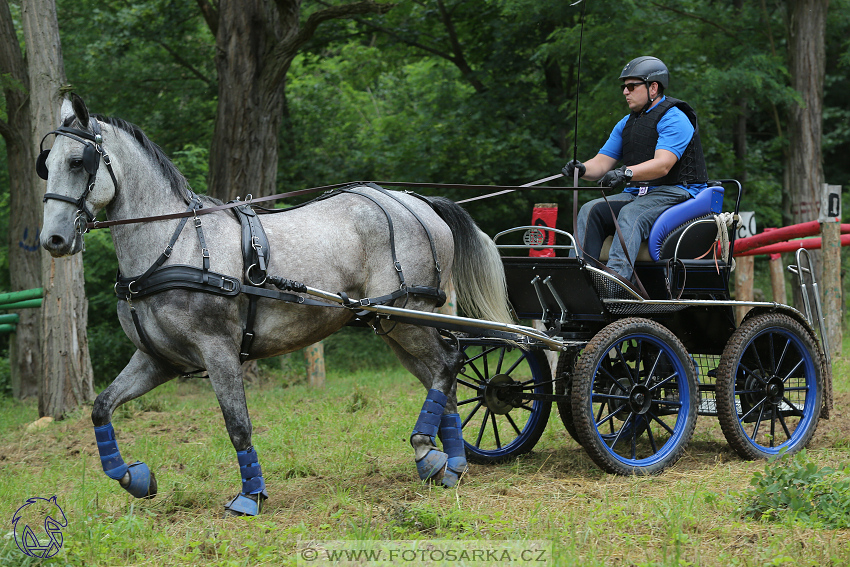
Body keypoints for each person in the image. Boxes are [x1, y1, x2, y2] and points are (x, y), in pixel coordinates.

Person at [564, 56, 708, 288]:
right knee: (590, 210)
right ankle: (579, 285)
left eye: (631, 86)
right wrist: (581, 169)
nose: (625, 92)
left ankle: (615, 286)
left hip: (677, 191)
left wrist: (626, 173)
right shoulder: (626, 123)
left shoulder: (675, 117)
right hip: (641, 192)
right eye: (624, 87)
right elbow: (601, 163)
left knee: (631, 215)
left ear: (653, 87)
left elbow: (663, 165)